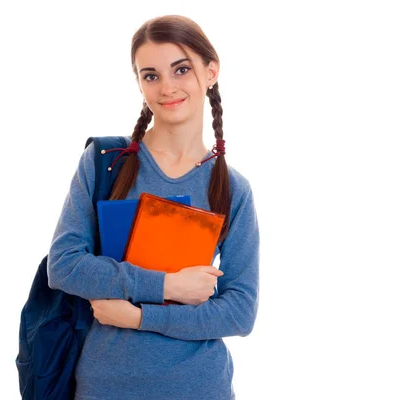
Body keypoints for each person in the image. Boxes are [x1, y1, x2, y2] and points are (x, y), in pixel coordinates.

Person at [47, 14, 260, 400]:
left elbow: (239, 312)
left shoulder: (232, 189)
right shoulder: (106, 162)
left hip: (199, 387)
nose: (167, 88)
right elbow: (63, 266)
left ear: (210, 71)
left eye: (181, 69)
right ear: (139, 83)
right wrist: (167, 285)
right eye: (151, 75)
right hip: (105, 387)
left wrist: (141, 316)